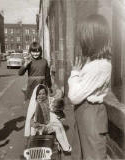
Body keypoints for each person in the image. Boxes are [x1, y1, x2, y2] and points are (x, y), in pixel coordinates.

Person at [68, 14, 112, 159]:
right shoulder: (94, 63)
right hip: (85, 113)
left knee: (93, 155)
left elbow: (74, 96)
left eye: (83, 37)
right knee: (80, 154)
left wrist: (74, 73)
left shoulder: (99, 66)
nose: (81, 41)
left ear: (92, 39)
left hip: (90, 114)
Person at [24, 84, 71, 152]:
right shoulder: (36, 105)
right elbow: (32, 121)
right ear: (36, 95)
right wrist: (43, 126)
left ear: (46, 94)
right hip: (39, 128)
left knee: (59, 126)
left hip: (46, 123)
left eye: (43, 94)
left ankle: (65, 145)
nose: (41, 96)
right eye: (39, 94)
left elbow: (55, 106)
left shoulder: (47, 101)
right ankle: (65, 147)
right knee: (57, 128)